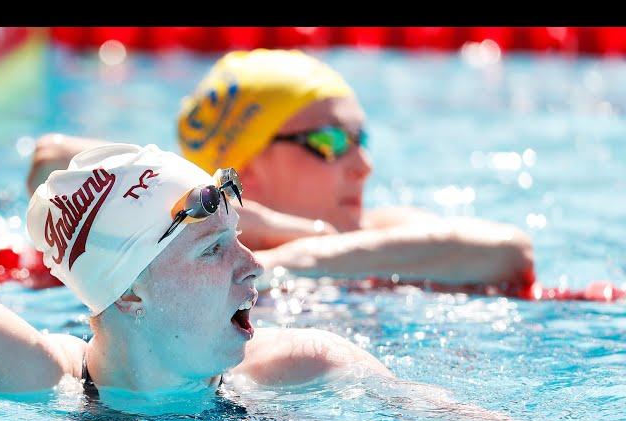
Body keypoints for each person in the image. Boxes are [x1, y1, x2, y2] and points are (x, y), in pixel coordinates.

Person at [0, 143, 537, 421]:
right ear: (128, 293)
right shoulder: (40, 377)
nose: (254, 267)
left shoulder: (308, 368)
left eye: (241, 237)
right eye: (212, 249)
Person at [26, 49, 535, 295]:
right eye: (329, 142)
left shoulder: (372, 231)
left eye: (362, 140)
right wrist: (241, 212)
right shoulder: (153, 234)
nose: (363, 166)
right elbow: (49, 160)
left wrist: (294, 253)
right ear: (244, 167)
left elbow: (509, 251)